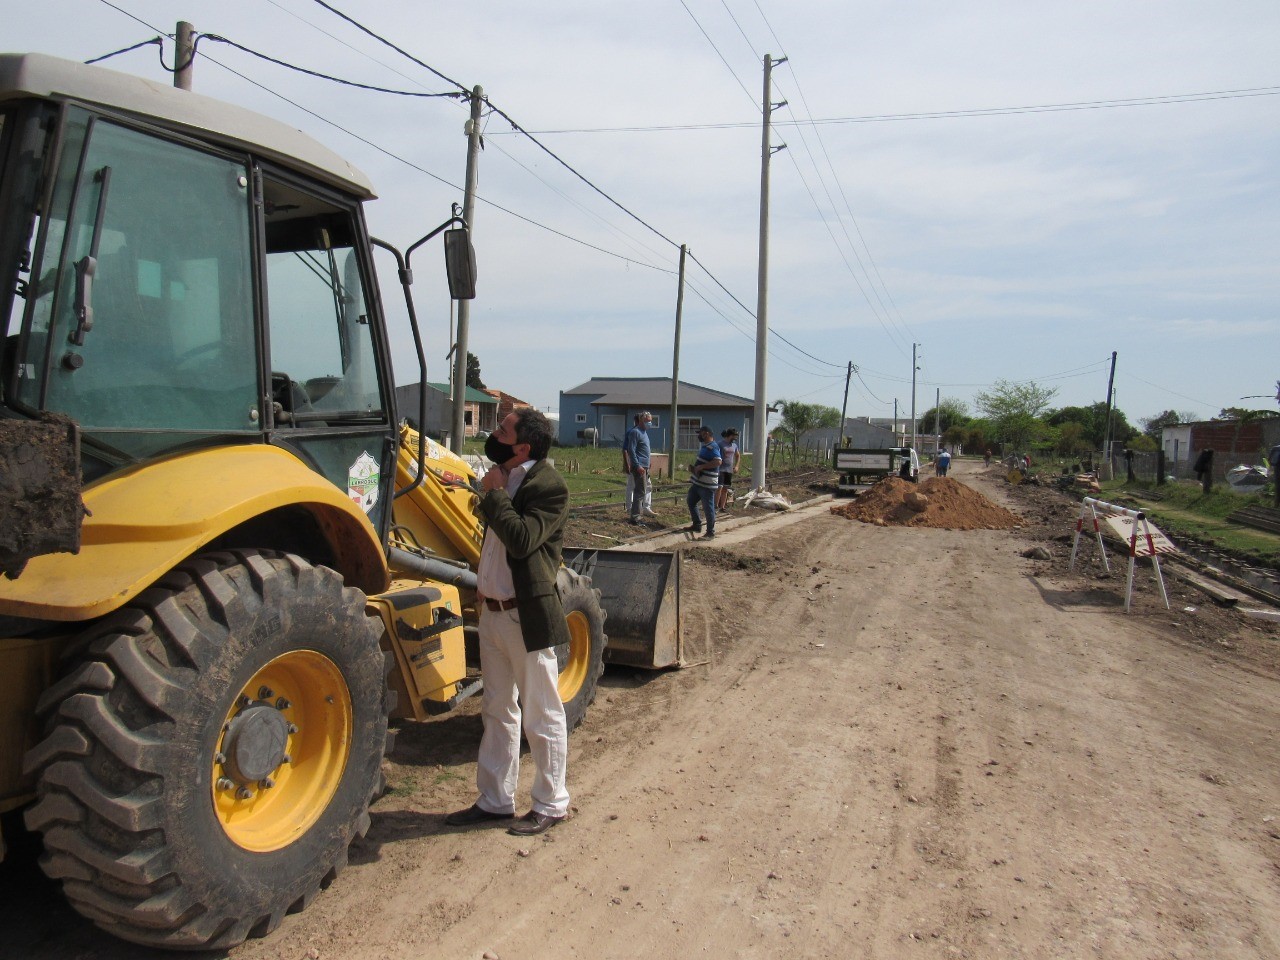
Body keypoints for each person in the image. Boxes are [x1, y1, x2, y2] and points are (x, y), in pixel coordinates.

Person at [445, 409, 573, 836]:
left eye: (503, 431)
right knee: (497, 710)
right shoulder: (505, 477)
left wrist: (495, 494)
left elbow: (520, 541)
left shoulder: (549, 487)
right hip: (494, 613)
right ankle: (495, 800)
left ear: (523, 447)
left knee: (541, 711)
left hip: (524, 616)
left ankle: (551, 803)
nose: (494, 435)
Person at [686, 425, 721, 540]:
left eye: (700, 433)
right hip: (699, 482)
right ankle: (697, 524)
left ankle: (710, 532)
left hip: (707, 484)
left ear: (706, 433)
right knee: (691, 500)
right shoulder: (706, 446)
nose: (699, 436)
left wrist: (701, 467)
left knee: (708, 507)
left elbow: (718, 462)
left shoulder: (712, 447)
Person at [622, 412, 654, 524]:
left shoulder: (644, 432)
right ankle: (635, 517)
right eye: (648, 421)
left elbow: (644, 449)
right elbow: (631, 450)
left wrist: (648, 462)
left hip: (645, 466)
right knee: (639, 492)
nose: (650, 423)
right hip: (639, 467)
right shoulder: (635, 432)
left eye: (650, 421)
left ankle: (637, 514)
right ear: (641, 420)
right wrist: (637, 465)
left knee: (643, 490)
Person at [716, 428, 741, 513]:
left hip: (729, 470)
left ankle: (722, 507)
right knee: (719, 487)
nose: (735, 438)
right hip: (720, 469)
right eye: (734, 436)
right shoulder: (720, 444)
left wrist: (736, 466)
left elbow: (738, 455)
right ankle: (715, 506)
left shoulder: (734, 445)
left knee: (725, 488)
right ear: (730, 435)